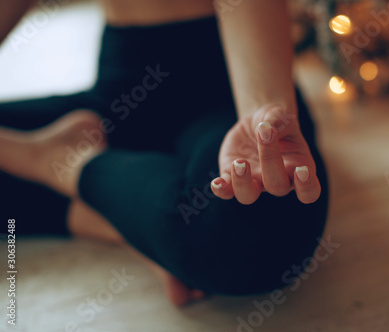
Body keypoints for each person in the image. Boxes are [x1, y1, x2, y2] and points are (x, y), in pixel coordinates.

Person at [0, 0, 329, 306]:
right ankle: (125, 221)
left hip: (230, 85)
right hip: (123, 87)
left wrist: (260, 118)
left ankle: (64, 164)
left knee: (251, 242)